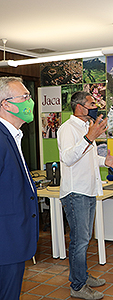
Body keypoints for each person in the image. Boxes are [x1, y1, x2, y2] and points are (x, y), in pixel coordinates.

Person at [58, 91, 113, 299]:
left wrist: (106, 162)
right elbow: (67, 158)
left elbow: (89, 157)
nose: (95, 106)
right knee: (80, 240)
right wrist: (89, 137)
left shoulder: (87, 127)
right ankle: (77, 286)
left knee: (84, 239)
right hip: (76, 192)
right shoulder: (67, 129)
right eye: (91, 103)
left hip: (88, 190)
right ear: (79, 106)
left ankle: (82, 276)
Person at [0, 77, 39, 300]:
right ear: (6, 104)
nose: (30, 101)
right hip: (4, 243)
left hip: (11, 241)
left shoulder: (13, 136)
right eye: (24, 97)